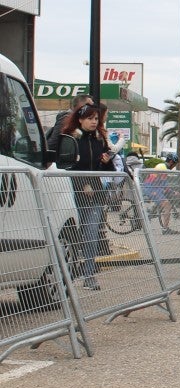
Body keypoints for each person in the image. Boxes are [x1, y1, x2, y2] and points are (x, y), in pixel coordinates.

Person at [58, 102, 116, 290]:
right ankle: (69, 273)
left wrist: (106, 162)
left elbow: (107, 167)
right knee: (74, 235)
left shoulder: (99, 140)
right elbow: (66, 164)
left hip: (96, 194)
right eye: (90, 118)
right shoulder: (71, 139)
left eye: (96, 119)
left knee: (91, 235)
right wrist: (83, 183)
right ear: (80, 119)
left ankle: (89, 275)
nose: (94, 122)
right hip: (73, 193)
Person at [46, 93, 94, 161]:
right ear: (81, 106)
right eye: (90, 106)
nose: (93, 109)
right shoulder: (66, 119)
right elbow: (53, 143)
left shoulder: (80, 121)